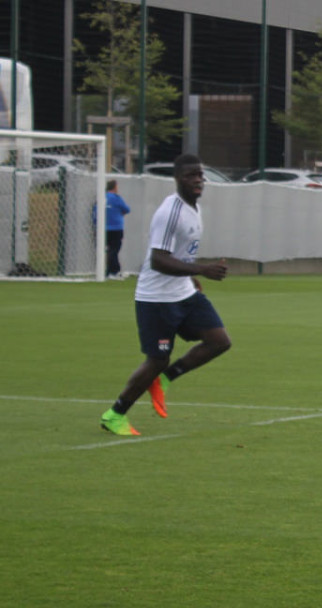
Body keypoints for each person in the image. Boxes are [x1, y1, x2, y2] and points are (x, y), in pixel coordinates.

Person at [100, 154, 231, 436]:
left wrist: (192, 277)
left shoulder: (193, 207)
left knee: (219, 341)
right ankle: (115, 414)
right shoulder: (170, 211)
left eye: (199, 174)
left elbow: (178, 254)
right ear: (177, 179)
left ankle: (165, 380)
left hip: (183, 292)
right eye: (190, 176)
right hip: (156, 298)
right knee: (157, 359)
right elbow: (159, 260)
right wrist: (202, 269)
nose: (197, 180)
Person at [94, 179, 131, 279]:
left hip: (103, 228)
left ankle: (109, 271)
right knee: (114, 250)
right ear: (114, 187)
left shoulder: (101, 197)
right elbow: (127, 209)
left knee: (109, 250)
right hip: (116, 228)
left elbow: (95, 212)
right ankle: (114, 272)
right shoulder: (116, 198)